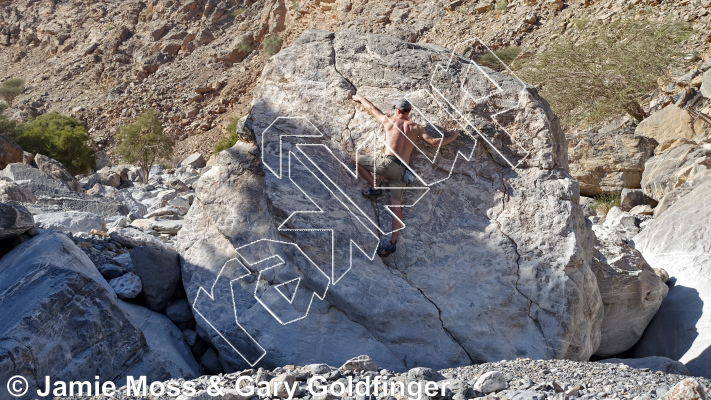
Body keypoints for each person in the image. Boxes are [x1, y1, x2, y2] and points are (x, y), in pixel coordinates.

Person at [352, 93, 460, 257]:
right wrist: (452, 136)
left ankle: (375, 187)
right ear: (408, 111)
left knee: (356, 159)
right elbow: (434, 142)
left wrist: (360, 98)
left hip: (388, 164)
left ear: (397, 110)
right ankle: (392, 243)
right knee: (396, 208)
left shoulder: (390, 121)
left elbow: (372, 110)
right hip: (403, 172)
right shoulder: (416, 127)